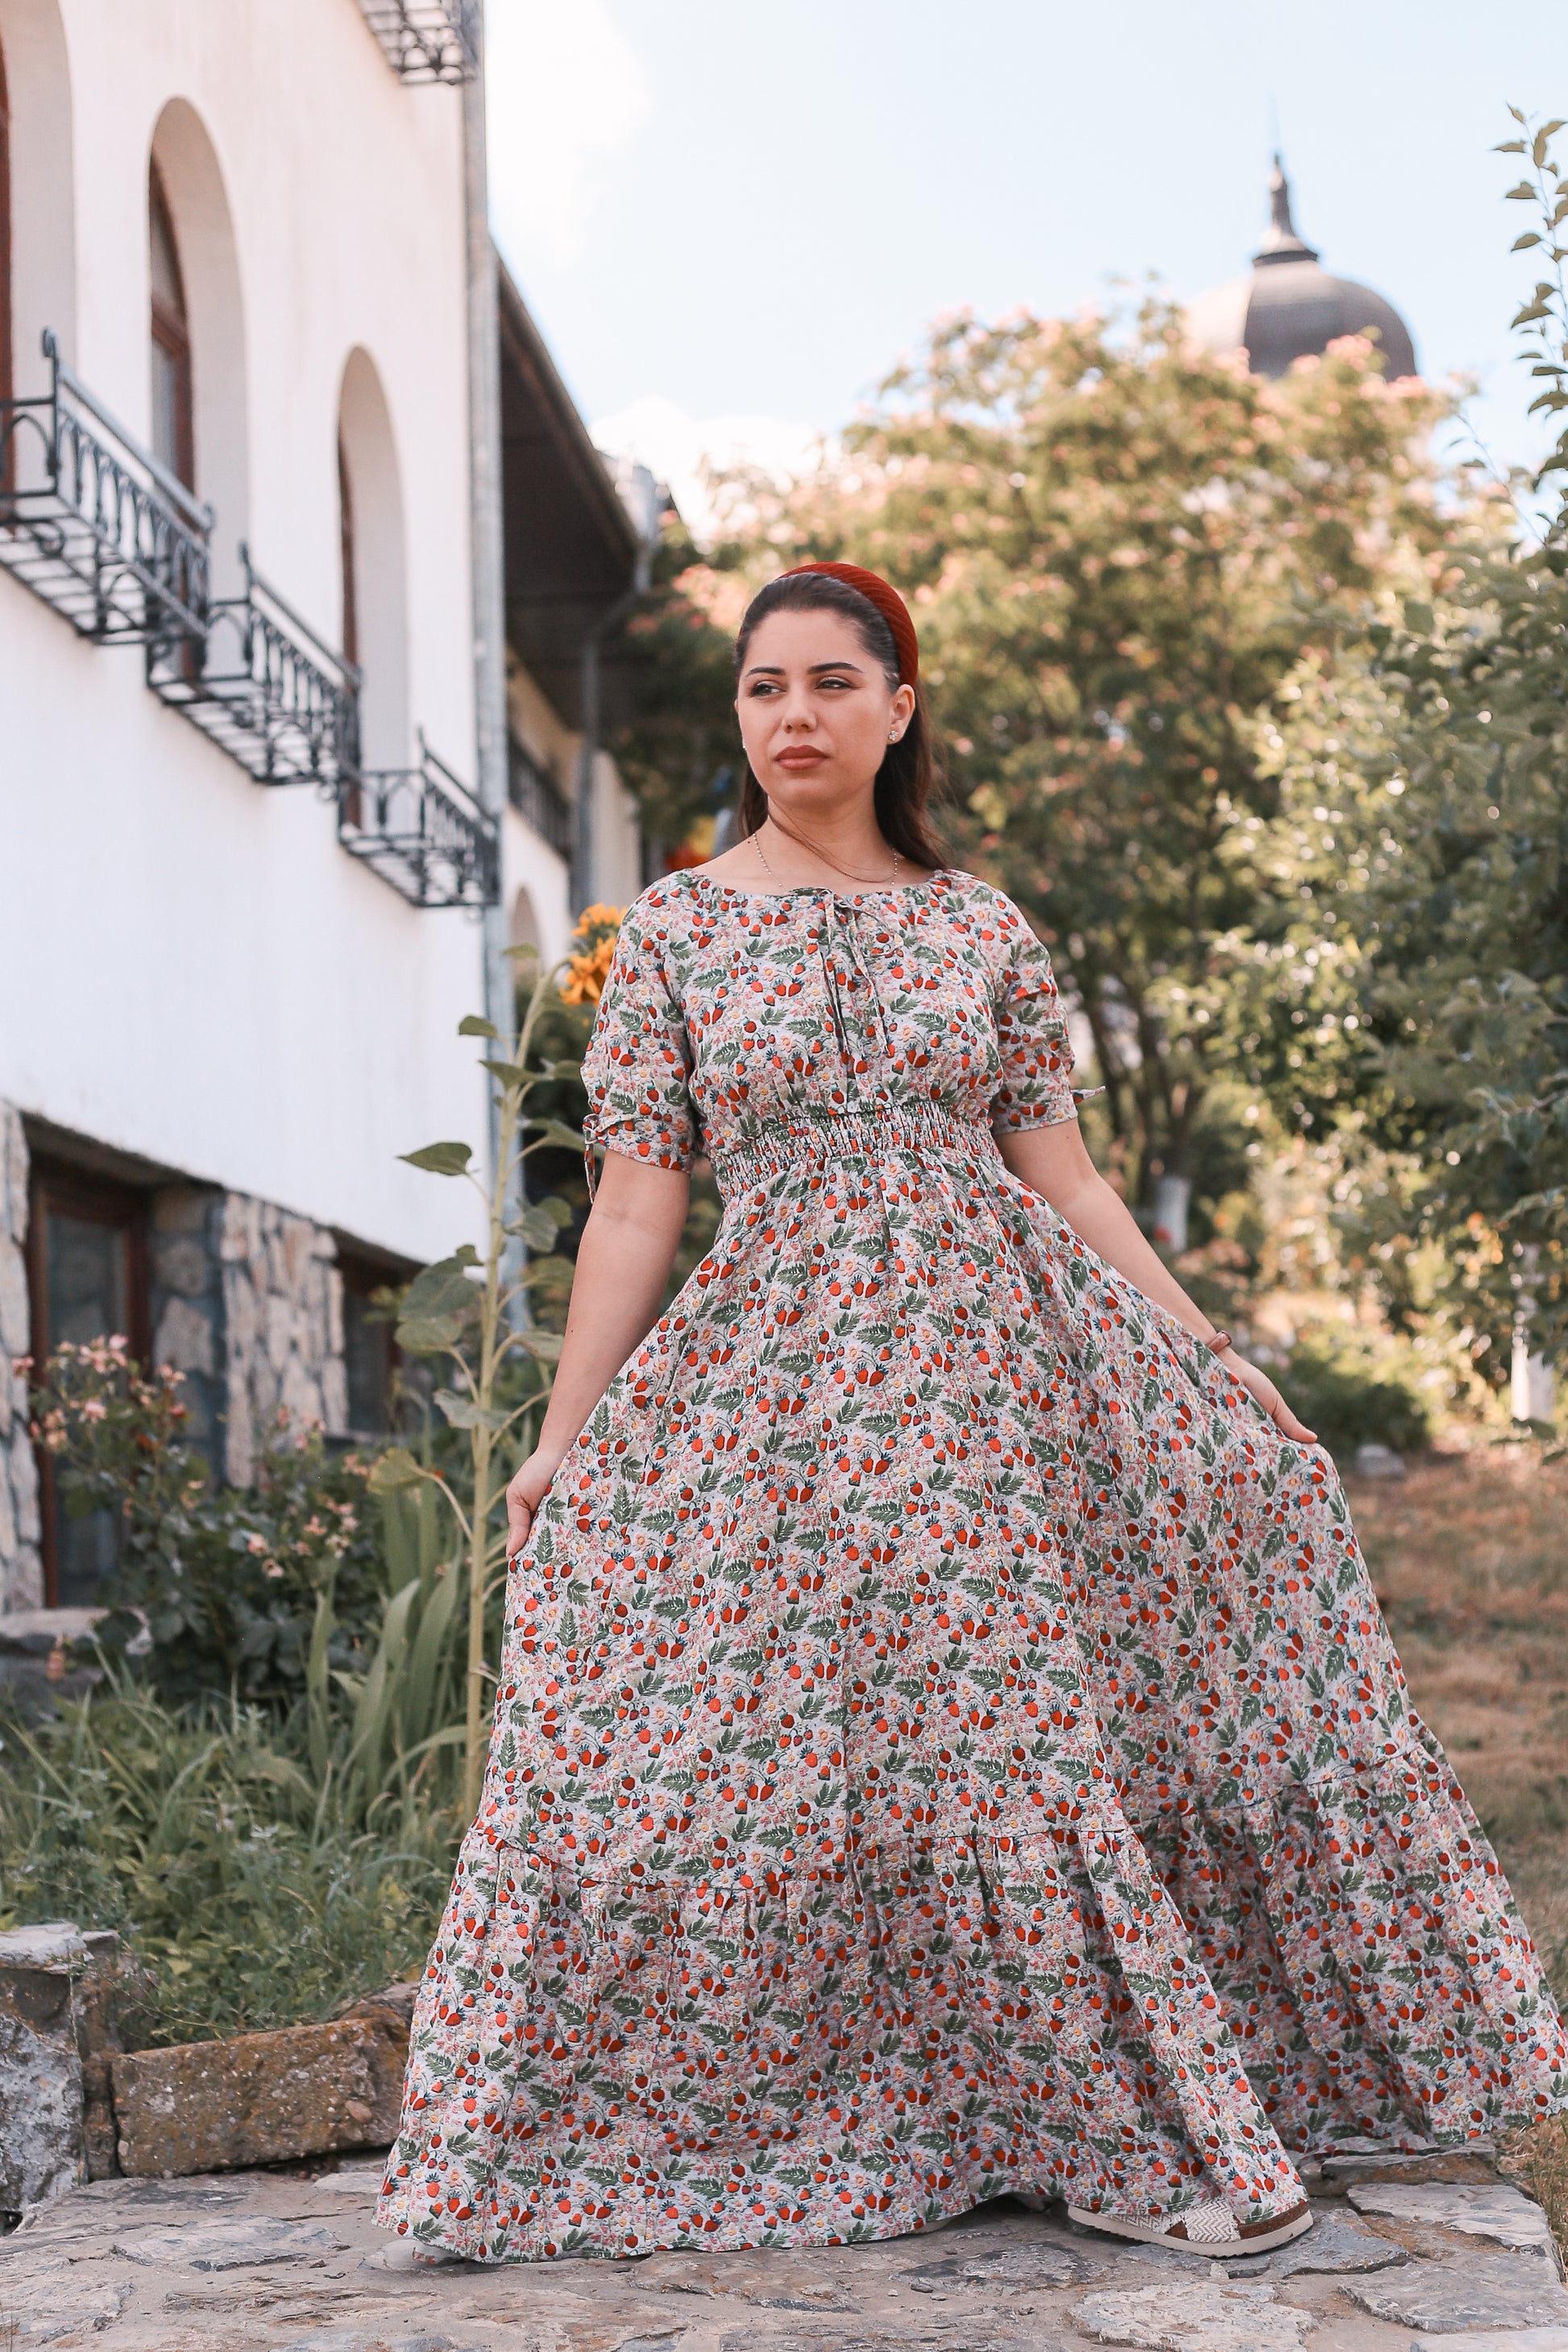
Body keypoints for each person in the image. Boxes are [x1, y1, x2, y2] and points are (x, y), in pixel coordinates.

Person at [377, 562, 1567, 2267]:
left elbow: (1060, 1171)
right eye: (763, 685)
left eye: (830, 682)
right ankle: (888, 2111)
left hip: (1001, 1388)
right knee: (819, 1752)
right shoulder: (678, 929)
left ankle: (1133, 2135)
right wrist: (567, 1433)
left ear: (898, 704)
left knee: (1010, 1735)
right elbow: (636, 1201)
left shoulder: (980, 925)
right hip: (783, 1386)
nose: (793, 715)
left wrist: (1205, 1351)